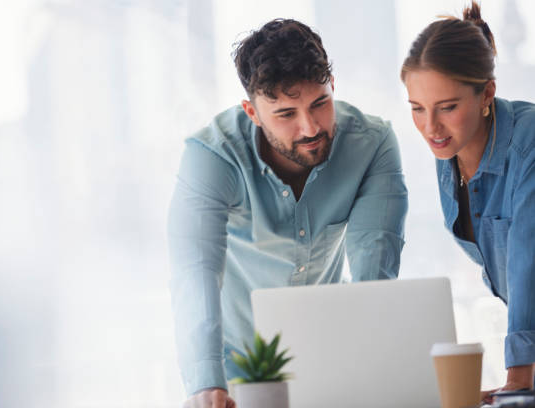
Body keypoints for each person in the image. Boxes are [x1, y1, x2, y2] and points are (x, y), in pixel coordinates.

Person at [169, 18, 408, 407]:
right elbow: (195, 272)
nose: (310, 127)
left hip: (333, 360)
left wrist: (379, 373)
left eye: (320, 103)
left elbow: (374, 266)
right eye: (285, 114)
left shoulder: (372, 144)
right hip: (236, 372)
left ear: (334, 86)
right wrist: (204, 382)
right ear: (252, 112)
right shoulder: (211, 156)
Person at [401, 2, 535, 403]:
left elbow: (527, 257)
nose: (430, 128)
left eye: (447, 108)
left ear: (487, 93)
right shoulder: (451, 157)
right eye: (417, 109)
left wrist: (519, 378)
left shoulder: (528, 144)